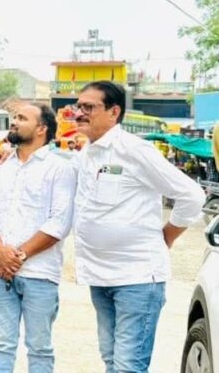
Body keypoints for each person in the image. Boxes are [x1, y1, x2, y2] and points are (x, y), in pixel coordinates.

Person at [71, 81, 204, 372]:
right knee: (112, 360)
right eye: (78, 106)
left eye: (89, 107)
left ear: (114, 112)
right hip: (99, 277)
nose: (79, 113)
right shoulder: (86, 154)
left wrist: (167, 236)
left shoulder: (134, 150)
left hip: (137, 278)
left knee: (128, 366)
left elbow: (192, 196)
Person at [0, 103, 76, 373]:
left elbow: (59, 224)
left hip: (40, 274)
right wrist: (0, 250)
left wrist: (17, 256)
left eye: (22, 118)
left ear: (41, 129)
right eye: (14, 117)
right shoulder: (1, 165)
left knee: (40, 348)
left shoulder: (59, 168)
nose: (14, 122)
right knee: (1, 344)